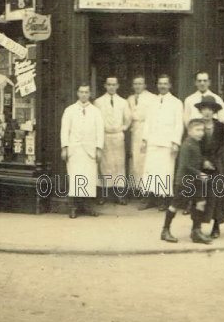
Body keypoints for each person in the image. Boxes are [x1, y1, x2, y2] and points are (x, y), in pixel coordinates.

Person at [161, 118, 213, 245]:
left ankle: (196, 231)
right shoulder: (186, 144)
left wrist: (204, 163)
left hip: (195, 181)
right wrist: (199, 173)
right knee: (175, 205)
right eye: (197, 130)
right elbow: (185, 165)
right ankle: (165, 230)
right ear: (190, 131)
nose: (201, 133)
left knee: (200, 203)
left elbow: (196, 159)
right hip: (185, 181)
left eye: (202, 130)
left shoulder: (196, 143)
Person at [197, 95, 224, 239]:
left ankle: (216, 227)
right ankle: (196, 227)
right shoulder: (196, 127)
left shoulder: (221, 128)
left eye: (210, 109)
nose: (207, 112)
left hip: (219, 167)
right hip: (201, 168)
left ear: (214, 111)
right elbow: (192, 148)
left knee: (217, 198)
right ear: (201, 110)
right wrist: (202, 161)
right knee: (200, 197)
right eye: (204, 108)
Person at [140, 75, 183, 211]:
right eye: (160, 83)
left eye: (165, 84)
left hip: (167, 142)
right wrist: (144, 139)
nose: (162, 86)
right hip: (153, 141)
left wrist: (176, 142)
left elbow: (179, 124)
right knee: (151, 171)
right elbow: (148, 122)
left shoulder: (176, 102)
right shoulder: (153, 101)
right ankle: (151, 199)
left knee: (165, 172)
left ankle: (164, 200)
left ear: (170, 85)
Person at [61, 84, 104, 218]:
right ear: (77, 93)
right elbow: (64, 130)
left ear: (90, 94)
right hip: (75, 150)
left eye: (86, 92)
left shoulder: (96, 111)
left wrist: (99, 149)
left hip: (90, 150)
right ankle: (73, 207)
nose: (84, 94)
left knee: (89, 179)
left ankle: (87, 206)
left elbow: (100, 131)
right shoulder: (70, 110)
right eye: (81, 92)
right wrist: (64, 148)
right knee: (75, 178)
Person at [95, 77, 131, 205]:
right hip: (105, 135)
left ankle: (120, 195)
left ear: (117, 86)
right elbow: (96, 120)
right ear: (105, 85)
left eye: (114, 84)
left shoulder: (123, 102)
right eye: (109, 84)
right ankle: (104, 194)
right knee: (104, 165)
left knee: (118, 164)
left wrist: (123, 128)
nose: (111, 87)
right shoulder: (98, 102)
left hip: (117, 136)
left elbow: (128, 119)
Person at [127, 76, 156, 196]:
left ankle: (146, 190)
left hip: (146, 129)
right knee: (135, 160)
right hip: (134, 130)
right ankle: (135, 188)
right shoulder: (129, 99)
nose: (138, 86)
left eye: (140, 84)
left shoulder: (152, 98)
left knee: (145, 160)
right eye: (135, 84)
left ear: (145, 85)